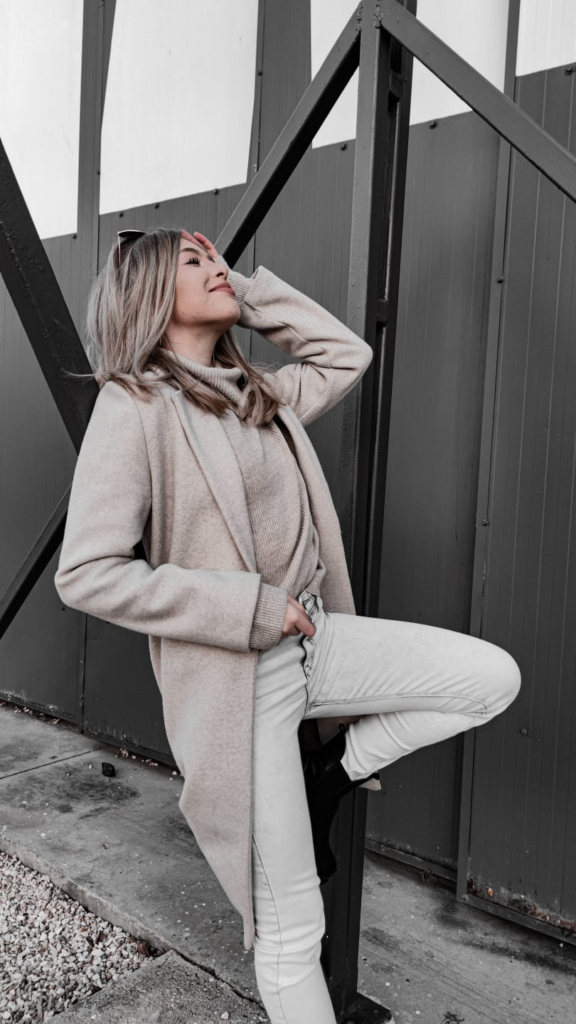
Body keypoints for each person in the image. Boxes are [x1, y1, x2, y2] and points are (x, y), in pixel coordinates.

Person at [54, 227, 521, 1024]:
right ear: (151, 294)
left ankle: (334, 770)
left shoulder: (261, 394)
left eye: (216, 259)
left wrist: (243, 289)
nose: (216, 268)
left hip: (317, 640)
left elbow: (345, 355)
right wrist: (252, 608)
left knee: (490, 679)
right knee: (292, 929)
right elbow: (87, 573)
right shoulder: (134, 406)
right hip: (242, 679)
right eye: (194, 263)